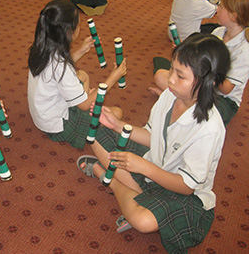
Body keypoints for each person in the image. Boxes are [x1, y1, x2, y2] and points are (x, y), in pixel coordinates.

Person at [78, 33, 230, 253]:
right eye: (171, 70)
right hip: (154, 166)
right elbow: (152, 136)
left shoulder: (209, 129)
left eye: (181, 76)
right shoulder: (170, 95)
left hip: (184, 192)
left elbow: (187, 187)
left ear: (209, 82)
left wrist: (143, 167)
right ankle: (136, 192)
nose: (170, 80)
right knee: (94, 136)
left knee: (143, 222)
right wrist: (118, 125)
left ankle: (108, 180)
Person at [28, 0, 127, 149]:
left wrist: (80, 50)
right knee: (116, 113)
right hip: (58, 126)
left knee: (82, 75)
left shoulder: (41, 47)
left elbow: (56, 72)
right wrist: (112, 78)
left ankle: (82, 95)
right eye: (78, 25)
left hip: (43, 115)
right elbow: (85, 105)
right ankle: (84, 119)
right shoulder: (60, 66)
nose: (80, 28)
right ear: (68, 32)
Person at [150, 0, 249, 126]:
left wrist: (211, 66)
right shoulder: (219, 32)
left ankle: (172, 99)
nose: (217, 8)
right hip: (203, 85)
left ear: (234, 16)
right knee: (161, 75)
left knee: (201, 110)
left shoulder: (244, 49)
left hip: (223, 100)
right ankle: (177, 100)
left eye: (221, 6)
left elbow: (226, 89)